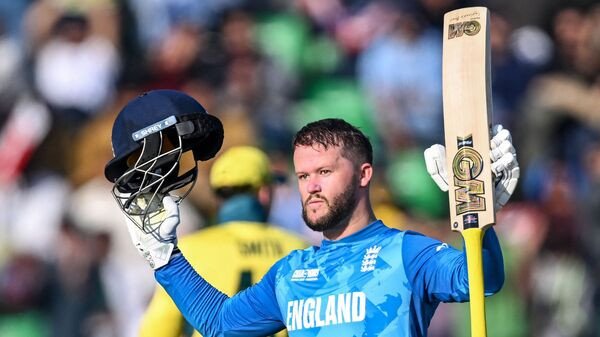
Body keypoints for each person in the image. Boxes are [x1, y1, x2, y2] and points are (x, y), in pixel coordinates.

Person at [105, 89, 520, 336]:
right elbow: (221, 326)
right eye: (303, 176)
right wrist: (165, 259)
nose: (311, 187)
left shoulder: (406, 252)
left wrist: (479, 221)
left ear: (363, 174)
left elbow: (480, 279)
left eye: (324, 172)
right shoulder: (290, 272)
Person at [138, 145, 307, 337]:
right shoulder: (299, 249)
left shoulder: (188, 250)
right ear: (264, 193)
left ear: (218, 197)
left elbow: (158, 329)